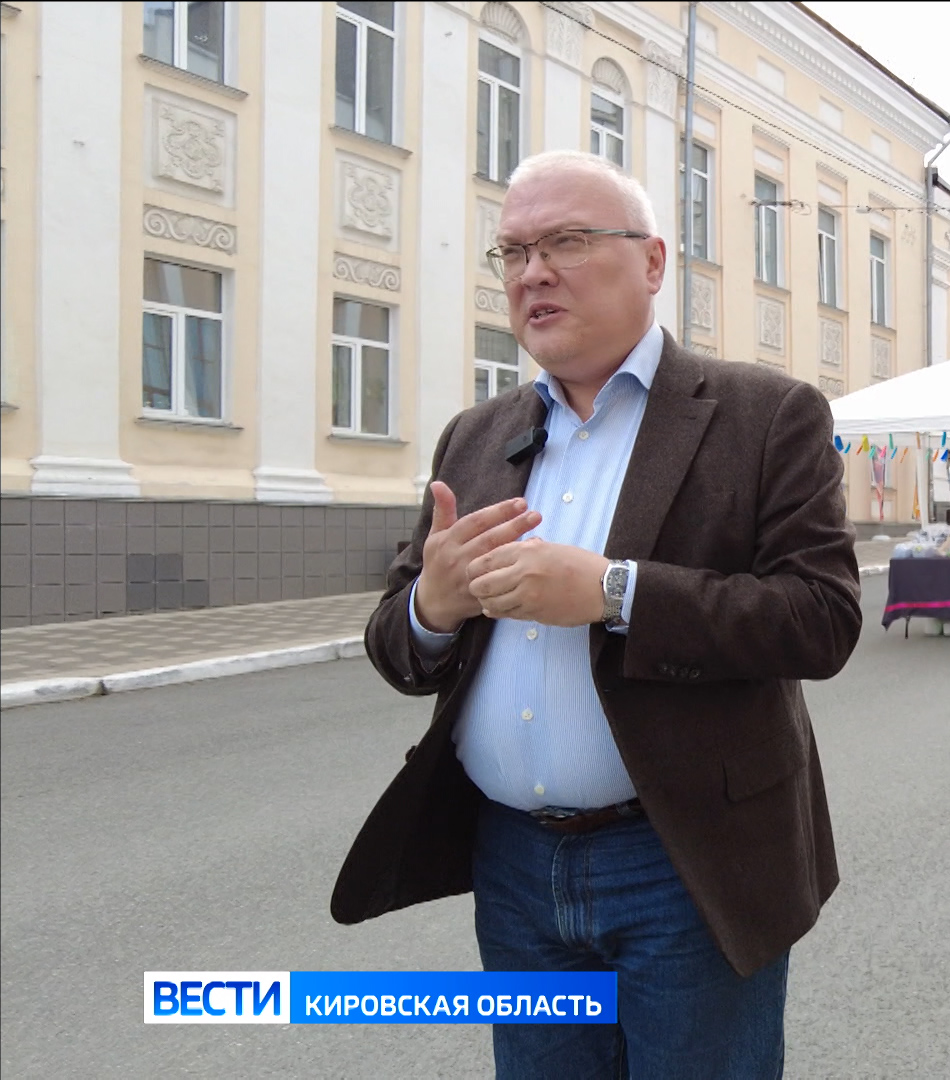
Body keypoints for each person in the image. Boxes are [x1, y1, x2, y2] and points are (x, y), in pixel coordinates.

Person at [333, 151, 861, 1079]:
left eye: (567, 242)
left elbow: (819, 618)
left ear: (652, 263)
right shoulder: (477, 435)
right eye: (513, 252)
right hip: (514, 871)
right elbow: (397, 641)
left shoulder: (762, 416)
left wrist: (616, 593)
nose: (533, 271)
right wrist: (433, 606)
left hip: (684, 863)